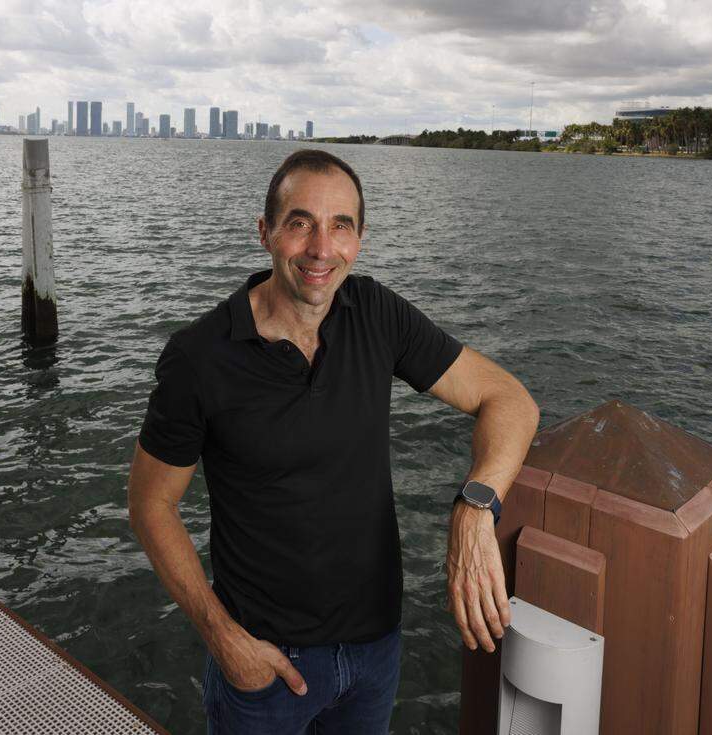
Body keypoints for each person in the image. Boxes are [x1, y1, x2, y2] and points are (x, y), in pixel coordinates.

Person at [128, 149, 539, 734]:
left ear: (360, 238)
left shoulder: (375, 312)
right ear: (265, 232)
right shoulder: (200, 358)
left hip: (375, 651)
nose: (322, 249)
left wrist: (475, 508)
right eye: (300, 223)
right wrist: (224, 640)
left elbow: (510, 400)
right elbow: (151, 503)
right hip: (266, 666)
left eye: (340, 225)